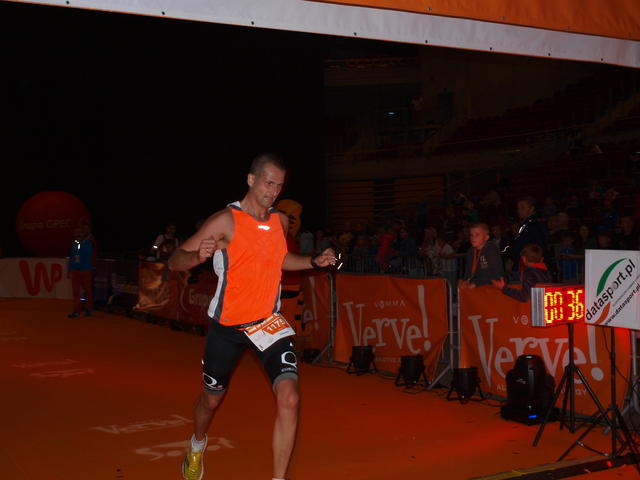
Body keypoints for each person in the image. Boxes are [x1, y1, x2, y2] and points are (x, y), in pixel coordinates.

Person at [168, 153, 336, 480]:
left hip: (267, 323)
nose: (273, 191)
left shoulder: (279, 222)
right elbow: (176, 260)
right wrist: (197, 256)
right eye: (268, 183)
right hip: (227, 328)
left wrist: (313, 261)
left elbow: (280, 260)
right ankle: (197, 444)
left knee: (290, 397)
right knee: (211, 401)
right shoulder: (225, 221)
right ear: (251, 180)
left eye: (279, 186)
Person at [459, 222, 503, 289]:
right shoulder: (470, 252)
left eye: (477, 235)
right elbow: (468, 272)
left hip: (490, 288)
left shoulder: (491, 249)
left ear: (486, 237)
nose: (473, 238)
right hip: (474, 287)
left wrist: (476, 283)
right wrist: (464, 281)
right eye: (471, 235)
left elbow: (495, 274)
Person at [67, 226, 95, 318]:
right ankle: (76, 311)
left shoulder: (88, 244)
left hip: (86, 270)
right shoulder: (74, 244)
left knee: (88, 291)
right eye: (76, 233)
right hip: (75, 271)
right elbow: (72, 258)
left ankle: (89, 309)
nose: (78, 234)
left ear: (83, 234)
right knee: (76, 292)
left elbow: (88, 255)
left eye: (80, 233)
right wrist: (69, 270)